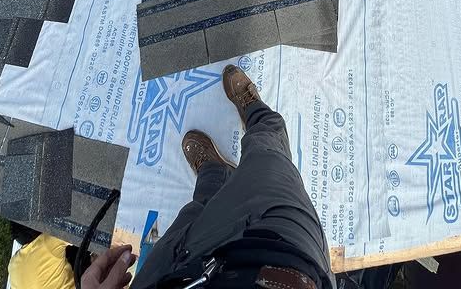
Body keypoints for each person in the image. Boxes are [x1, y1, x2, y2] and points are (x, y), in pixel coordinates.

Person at [82, 65, 335, 289]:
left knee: (195, 211)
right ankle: (259, 118)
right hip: (281, 255)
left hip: (173, 272)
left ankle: (216, 172)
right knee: (268, 156)